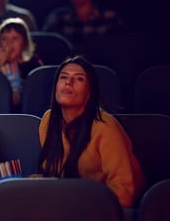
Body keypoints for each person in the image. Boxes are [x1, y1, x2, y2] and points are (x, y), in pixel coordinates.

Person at [38, 56, 145, 208]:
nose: (68, 82)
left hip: (107, 210)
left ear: (89, 93)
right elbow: (55, 177)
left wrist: (76, 201)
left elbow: (125, 194)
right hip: (68, 206)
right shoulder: (47, 121)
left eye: (79, 79)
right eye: (63, 77)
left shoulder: (105, 127)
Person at [0, 17, 43, 111]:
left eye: (15, 38)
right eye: (4, 39)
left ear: (24, 43)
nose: (9, 43)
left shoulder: (33, 64)